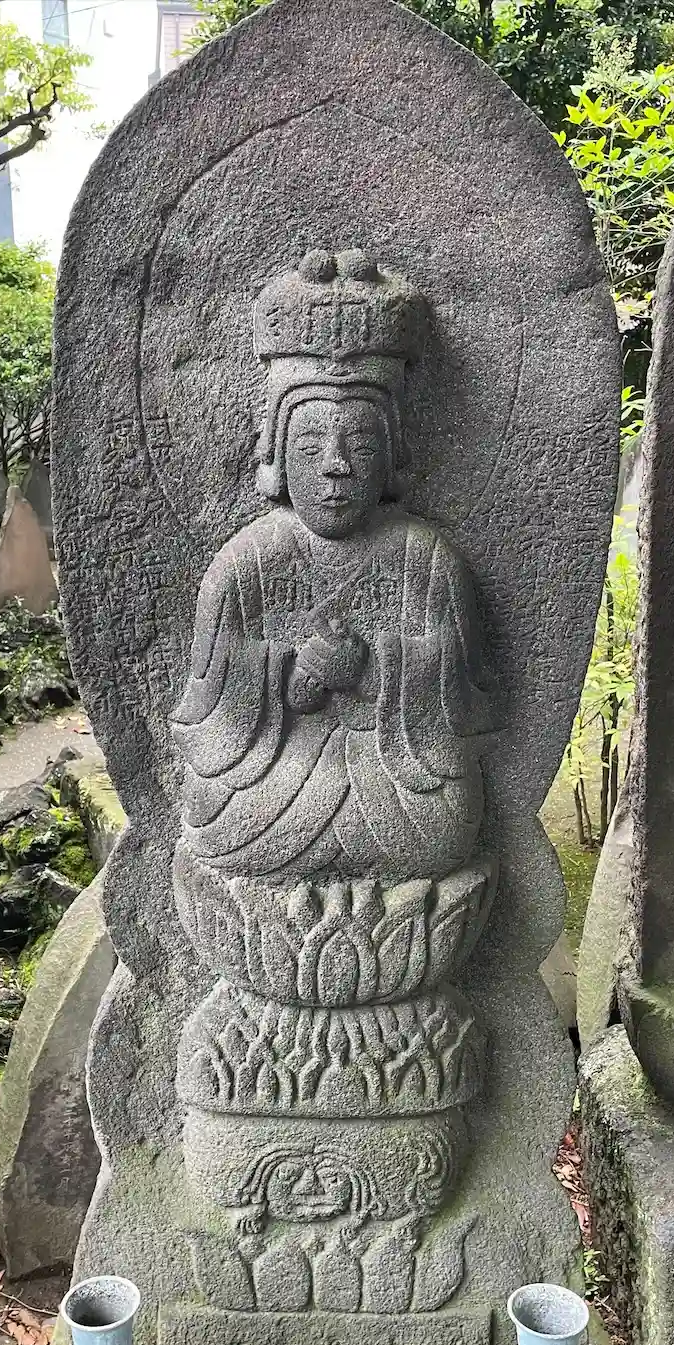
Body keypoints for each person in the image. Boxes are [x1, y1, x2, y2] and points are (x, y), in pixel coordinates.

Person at [172, 250, 492, 886]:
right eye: (312, 444)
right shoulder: (245, 562)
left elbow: (466, 696)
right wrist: (287, 676)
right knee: (211, 817)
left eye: (362, 444)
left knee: (449, 822)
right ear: (278, 454)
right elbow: (205, 709)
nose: (336, 465)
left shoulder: (426, 558)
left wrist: (375, 671)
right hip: (273, 782)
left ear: (393, 456)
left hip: (394, 777)